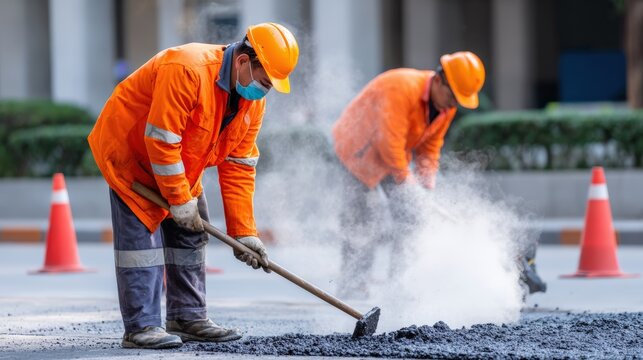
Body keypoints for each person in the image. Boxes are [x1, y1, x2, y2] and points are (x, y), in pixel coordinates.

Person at [88, 22, 299, 349]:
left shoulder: (252, 103)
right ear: (243, 62)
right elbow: (160, 140)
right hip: (133, 157)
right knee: (141, 245)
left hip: (181, 165)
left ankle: (187, 317)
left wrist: (244, 232)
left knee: (191, 232)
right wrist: (177, 198)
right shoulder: (187, 69)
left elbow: (239, 165)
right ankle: (141, 327)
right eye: (264, 81)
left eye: (270, 86)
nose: (264, 90)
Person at [331, 51, 546, 298]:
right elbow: (388, 144)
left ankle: (401, 286)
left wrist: (426, 187)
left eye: (457, 101)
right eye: (452, 96)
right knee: (363, 222)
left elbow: (430, 148)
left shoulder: (445, 107)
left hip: (392, 156)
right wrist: (409, 185)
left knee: (411, 218)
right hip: (358, 151)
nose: (453, 104)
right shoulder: (400, 88)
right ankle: (352, 289)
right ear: (439, 79)